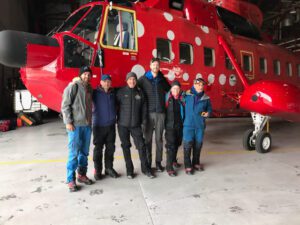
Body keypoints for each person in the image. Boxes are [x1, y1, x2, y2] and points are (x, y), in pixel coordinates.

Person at [116, 72, 155, 179]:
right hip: (122, 125)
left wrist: (143, 122)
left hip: (136, 125)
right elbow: (114, 105)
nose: (132, 81)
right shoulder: (121, 92)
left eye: (134, 79)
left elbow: (144, 109)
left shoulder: (140, 93)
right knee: (126, 147)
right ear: (126, 80)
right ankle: (129, 170)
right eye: (130, 79)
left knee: (141, 146)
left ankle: (146, 169)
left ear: (136, 81)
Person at [61, 66, 93, 192]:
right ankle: (70, 179)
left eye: (89, 75)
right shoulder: (73, 86)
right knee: (74, 153)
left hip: (87, 126)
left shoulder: (89, 88)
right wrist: (68, 122)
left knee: (84, 152)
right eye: (85, 74)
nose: (87, 76)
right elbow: (65, 105)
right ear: (80, 75)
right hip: (75, 126)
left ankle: (81, 174)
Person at [138, 58, 170, 172]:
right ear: (150, 66)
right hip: (148, 114)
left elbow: (170, 91)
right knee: (148, 140)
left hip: (160, 113)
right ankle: (147, 163)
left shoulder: (162, 80)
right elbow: (136, 91)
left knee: (159, 139)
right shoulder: (143, 79)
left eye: (157, 65)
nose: (155, 67)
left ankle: (158, 163)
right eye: (153, 65)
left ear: (159, 67)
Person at [183, 77, 212, 175]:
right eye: (198, 84)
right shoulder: (186, 95)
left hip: (200, 125)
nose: (200, 87)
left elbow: (209, 109)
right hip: (188, 125)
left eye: (202, 85)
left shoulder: (206, 98)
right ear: (194, 85)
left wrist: (208, 113)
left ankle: (196, 163)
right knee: (187, 145)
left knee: (198, 145)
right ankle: (187, 165)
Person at [92, 74, 119, 180]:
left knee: (110, 148)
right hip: (98, 126)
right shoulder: (95, 93)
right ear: (101, 82)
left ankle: (109, 168)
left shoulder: (113, 93)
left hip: (111, 126)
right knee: (98, 149)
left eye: (109, 81)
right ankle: (97, 170)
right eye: (105, 81)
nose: (107, 83)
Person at [164, 80, 185, 177]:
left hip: (179, 125)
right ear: (171, 89)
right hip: (170, 126)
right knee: (170, 146)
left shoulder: (182, 99)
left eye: (177, 88)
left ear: (180, 89)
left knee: (177, 144)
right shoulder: (167, 98)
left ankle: (173, 161)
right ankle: (169, 167)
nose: (176, 90)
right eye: (174, 88)